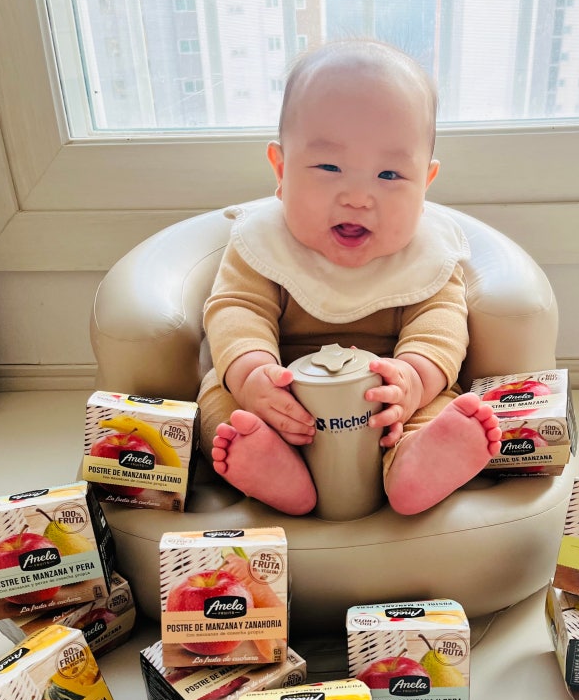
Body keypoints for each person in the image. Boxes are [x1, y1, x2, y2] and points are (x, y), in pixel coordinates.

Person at [198, 38, 501, 516]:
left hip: (386, 403)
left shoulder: (427, 253)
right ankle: (274, 468)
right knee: (221, 401)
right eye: (329, 166)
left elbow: (440, 325)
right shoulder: (263, 242)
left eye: (389, 175)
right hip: (284, 398)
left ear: (425, 183)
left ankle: (414, 462)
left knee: (441, 402)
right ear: (281, 170)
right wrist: (253, 375)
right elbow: (236, 310)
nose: (358, 197)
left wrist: (413, 380)